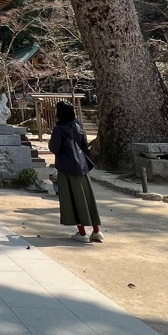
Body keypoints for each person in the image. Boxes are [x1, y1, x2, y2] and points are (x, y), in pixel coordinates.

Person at [48, 101, 103, 242]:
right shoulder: (78, 125)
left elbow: (54, 148)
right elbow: (84, 146)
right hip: (82, 167)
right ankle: (97, 231)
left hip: (67, 168)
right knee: (87, 199)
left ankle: (82, 233)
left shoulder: (59, 129)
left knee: (73, 200)